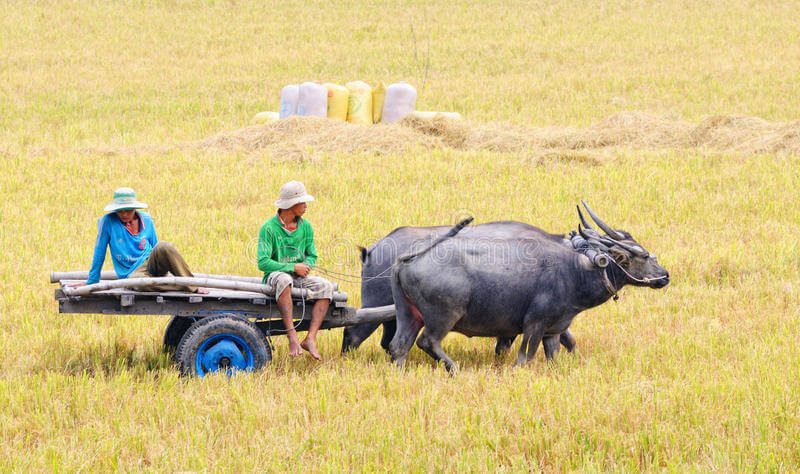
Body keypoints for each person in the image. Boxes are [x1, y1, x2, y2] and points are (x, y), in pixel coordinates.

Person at [72, 187, 208, 293]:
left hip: (151, 264)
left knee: (164, 246)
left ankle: (191, 284)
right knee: (136, 282)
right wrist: (92, 281)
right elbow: (99, 251)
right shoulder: (107, 222)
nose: (124, 214)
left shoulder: (147, 219)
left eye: (128, 210)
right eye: (120, 211)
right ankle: (180, 286)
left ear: (134, 208)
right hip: (132, 274)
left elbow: (156, 248)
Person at [257, 180, 334, 360]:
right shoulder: (268, 228)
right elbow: (263, 262)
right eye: (303, 202)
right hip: (276, 276)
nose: (306, 206)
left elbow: (312, 255)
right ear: (291, 205)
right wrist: (292, 267)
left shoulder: (305, 227)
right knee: (284, 280)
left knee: (326, 287)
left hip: (298, 276)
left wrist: (306, 265)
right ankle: (291, 335)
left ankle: (310, 338)